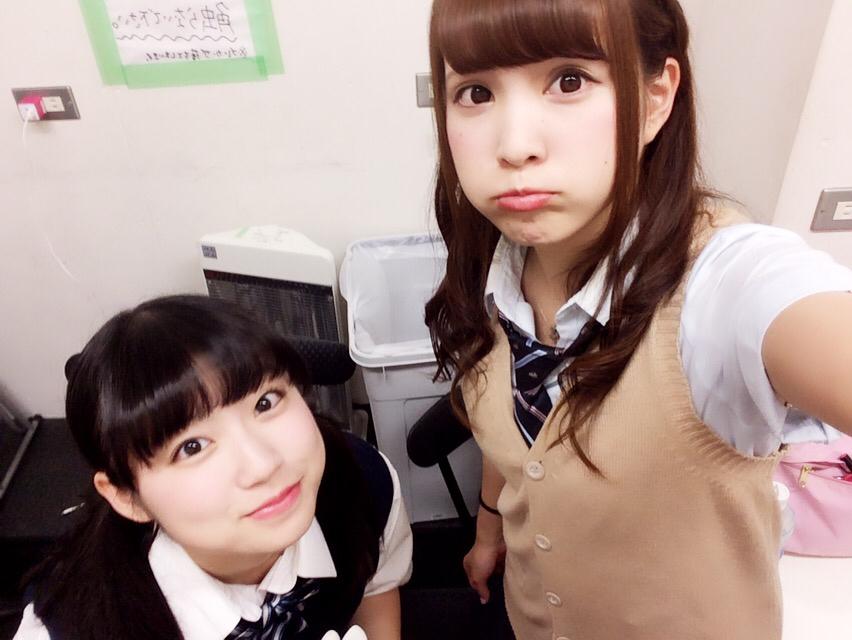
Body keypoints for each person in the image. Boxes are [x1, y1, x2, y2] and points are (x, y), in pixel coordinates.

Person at [423, 1, 852, 638]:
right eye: (476, 93)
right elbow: (513, 426)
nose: (513, 147)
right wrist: (490, 528)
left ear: (655, 99)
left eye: (569, 81)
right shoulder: (492, 256)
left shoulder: (725, 285)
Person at [14, 295, 412, 640]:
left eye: (265, 402)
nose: (263, 465)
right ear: (127, 497)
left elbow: (375, 585)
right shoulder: (75, 626)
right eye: (192, 447)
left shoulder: (360, 479)